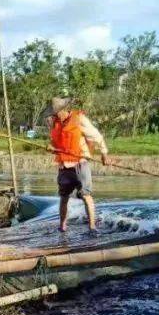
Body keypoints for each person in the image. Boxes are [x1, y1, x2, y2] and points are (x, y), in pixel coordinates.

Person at [49, 97, 110, 233]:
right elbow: (55, 142)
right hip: (64, 165)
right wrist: (51, 146)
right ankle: (62, 226)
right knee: (63, 197)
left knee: (85, 195)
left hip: (80, 164)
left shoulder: (79, 119)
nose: (54, 115)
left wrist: (104, 153)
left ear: (63, 110)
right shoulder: (55, 123)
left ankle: (92, 226)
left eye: (56, 113)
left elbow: (96, 135)